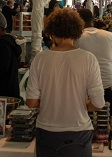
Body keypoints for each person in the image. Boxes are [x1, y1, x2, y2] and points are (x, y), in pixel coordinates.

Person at [26, 8, 105, 157]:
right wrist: (82, 103)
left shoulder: (40, 59)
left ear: (52, 32)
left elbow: (31, 102)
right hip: (78, 132)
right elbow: (99, 103)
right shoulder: (88, 59)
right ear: (77, 31)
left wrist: (50, 101)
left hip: (47, 132)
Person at [76, 9, 112, 116]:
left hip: (86, 85)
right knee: (108, 119)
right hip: (108, 82)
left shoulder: (77, 38)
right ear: (93, 19)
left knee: (87, 119)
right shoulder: (109, 35)